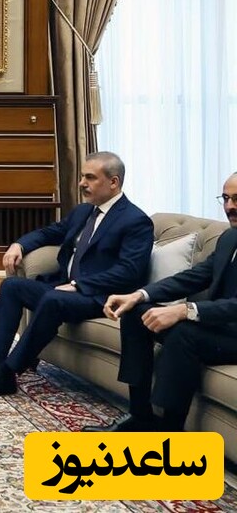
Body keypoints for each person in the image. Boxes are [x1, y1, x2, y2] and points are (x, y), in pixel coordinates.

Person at [0, 151, 154, 398]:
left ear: (114, 182)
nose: (82, 183)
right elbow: (49, 233)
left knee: (53, 299)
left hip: (100, 297)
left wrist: (79, 285)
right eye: (82, 177)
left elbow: (129, 271)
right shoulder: (84, 211)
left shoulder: (135, 220)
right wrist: (19, 245)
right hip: (64, 288)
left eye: (90, 178)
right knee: (12, 286)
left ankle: (7, 373)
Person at [85, 173, 237, 432]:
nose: (229, 206)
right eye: (225, 198)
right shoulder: (229, 238)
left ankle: (169, 431)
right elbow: (193, 277)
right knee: (136, 312)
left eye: (236, 199)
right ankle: (140, 415)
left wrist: (185, 310)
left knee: (184, 333)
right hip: (219, 326)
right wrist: (139, 295)